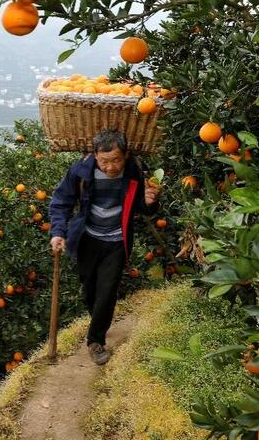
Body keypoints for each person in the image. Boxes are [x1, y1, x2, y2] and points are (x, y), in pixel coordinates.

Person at [48, 128, 160, 365]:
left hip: (117, 241)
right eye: (104, 161)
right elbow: (61, 202)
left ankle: (95, 340)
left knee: (107, 291)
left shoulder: (133, 173)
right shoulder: (80, 172)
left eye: (116, 160)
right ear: (95, 156)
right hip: (87, 239)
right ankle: (98, 319)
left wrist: (150, 202)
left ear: (126, 155)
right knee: (89, 290)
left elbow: (140, 206)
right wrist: (58, 232)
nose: (111, 167)